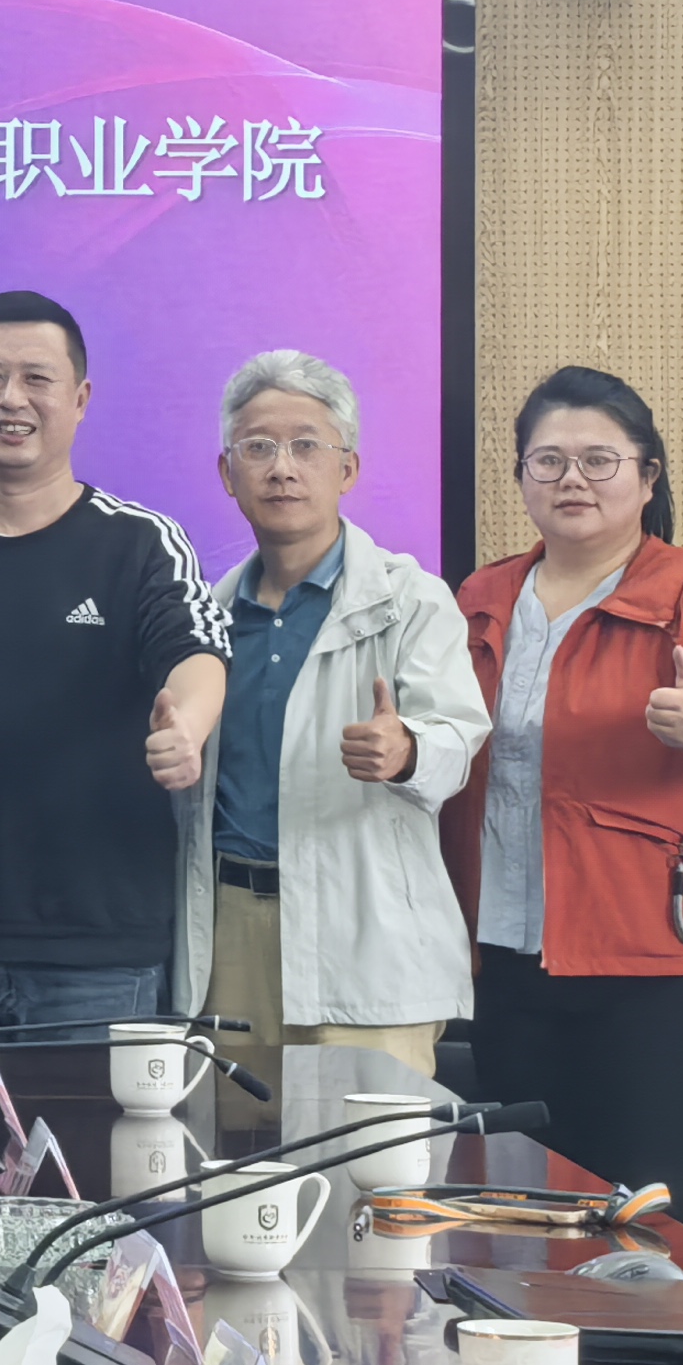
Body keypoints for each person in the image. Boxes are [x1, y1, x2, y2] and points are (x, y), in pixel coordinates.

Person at [443, 367, 683, 1234]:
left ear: (648, 477)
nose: (572, 479)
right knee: (528, 1218)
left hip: (664, 969)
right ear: (522, 477)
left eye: (599, 460)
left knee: (648, 1222)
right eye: (549, 461)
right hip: (508, 957)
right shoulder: (480, 598)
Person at [0, 290, 229, 1043]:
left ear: (81, 398)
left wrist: (187, 728)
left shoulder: (139, 543)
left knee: (93, 1131)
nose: (11, 399)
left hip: (98, 952)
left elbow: (194, 650)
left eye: (37, 378)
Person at [178, 349, 487, 1081]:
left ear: (347, 469)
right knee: (234, 1148)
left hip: (366, 931)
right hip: (231, 933)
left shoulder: (412, 599)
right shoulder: (207, 616)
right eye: (259, 447)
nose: (282, 469)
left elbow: (458, 737)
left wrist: (406, 750)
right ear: (227, 473)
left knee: (368, 1151)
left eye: (306, 446)